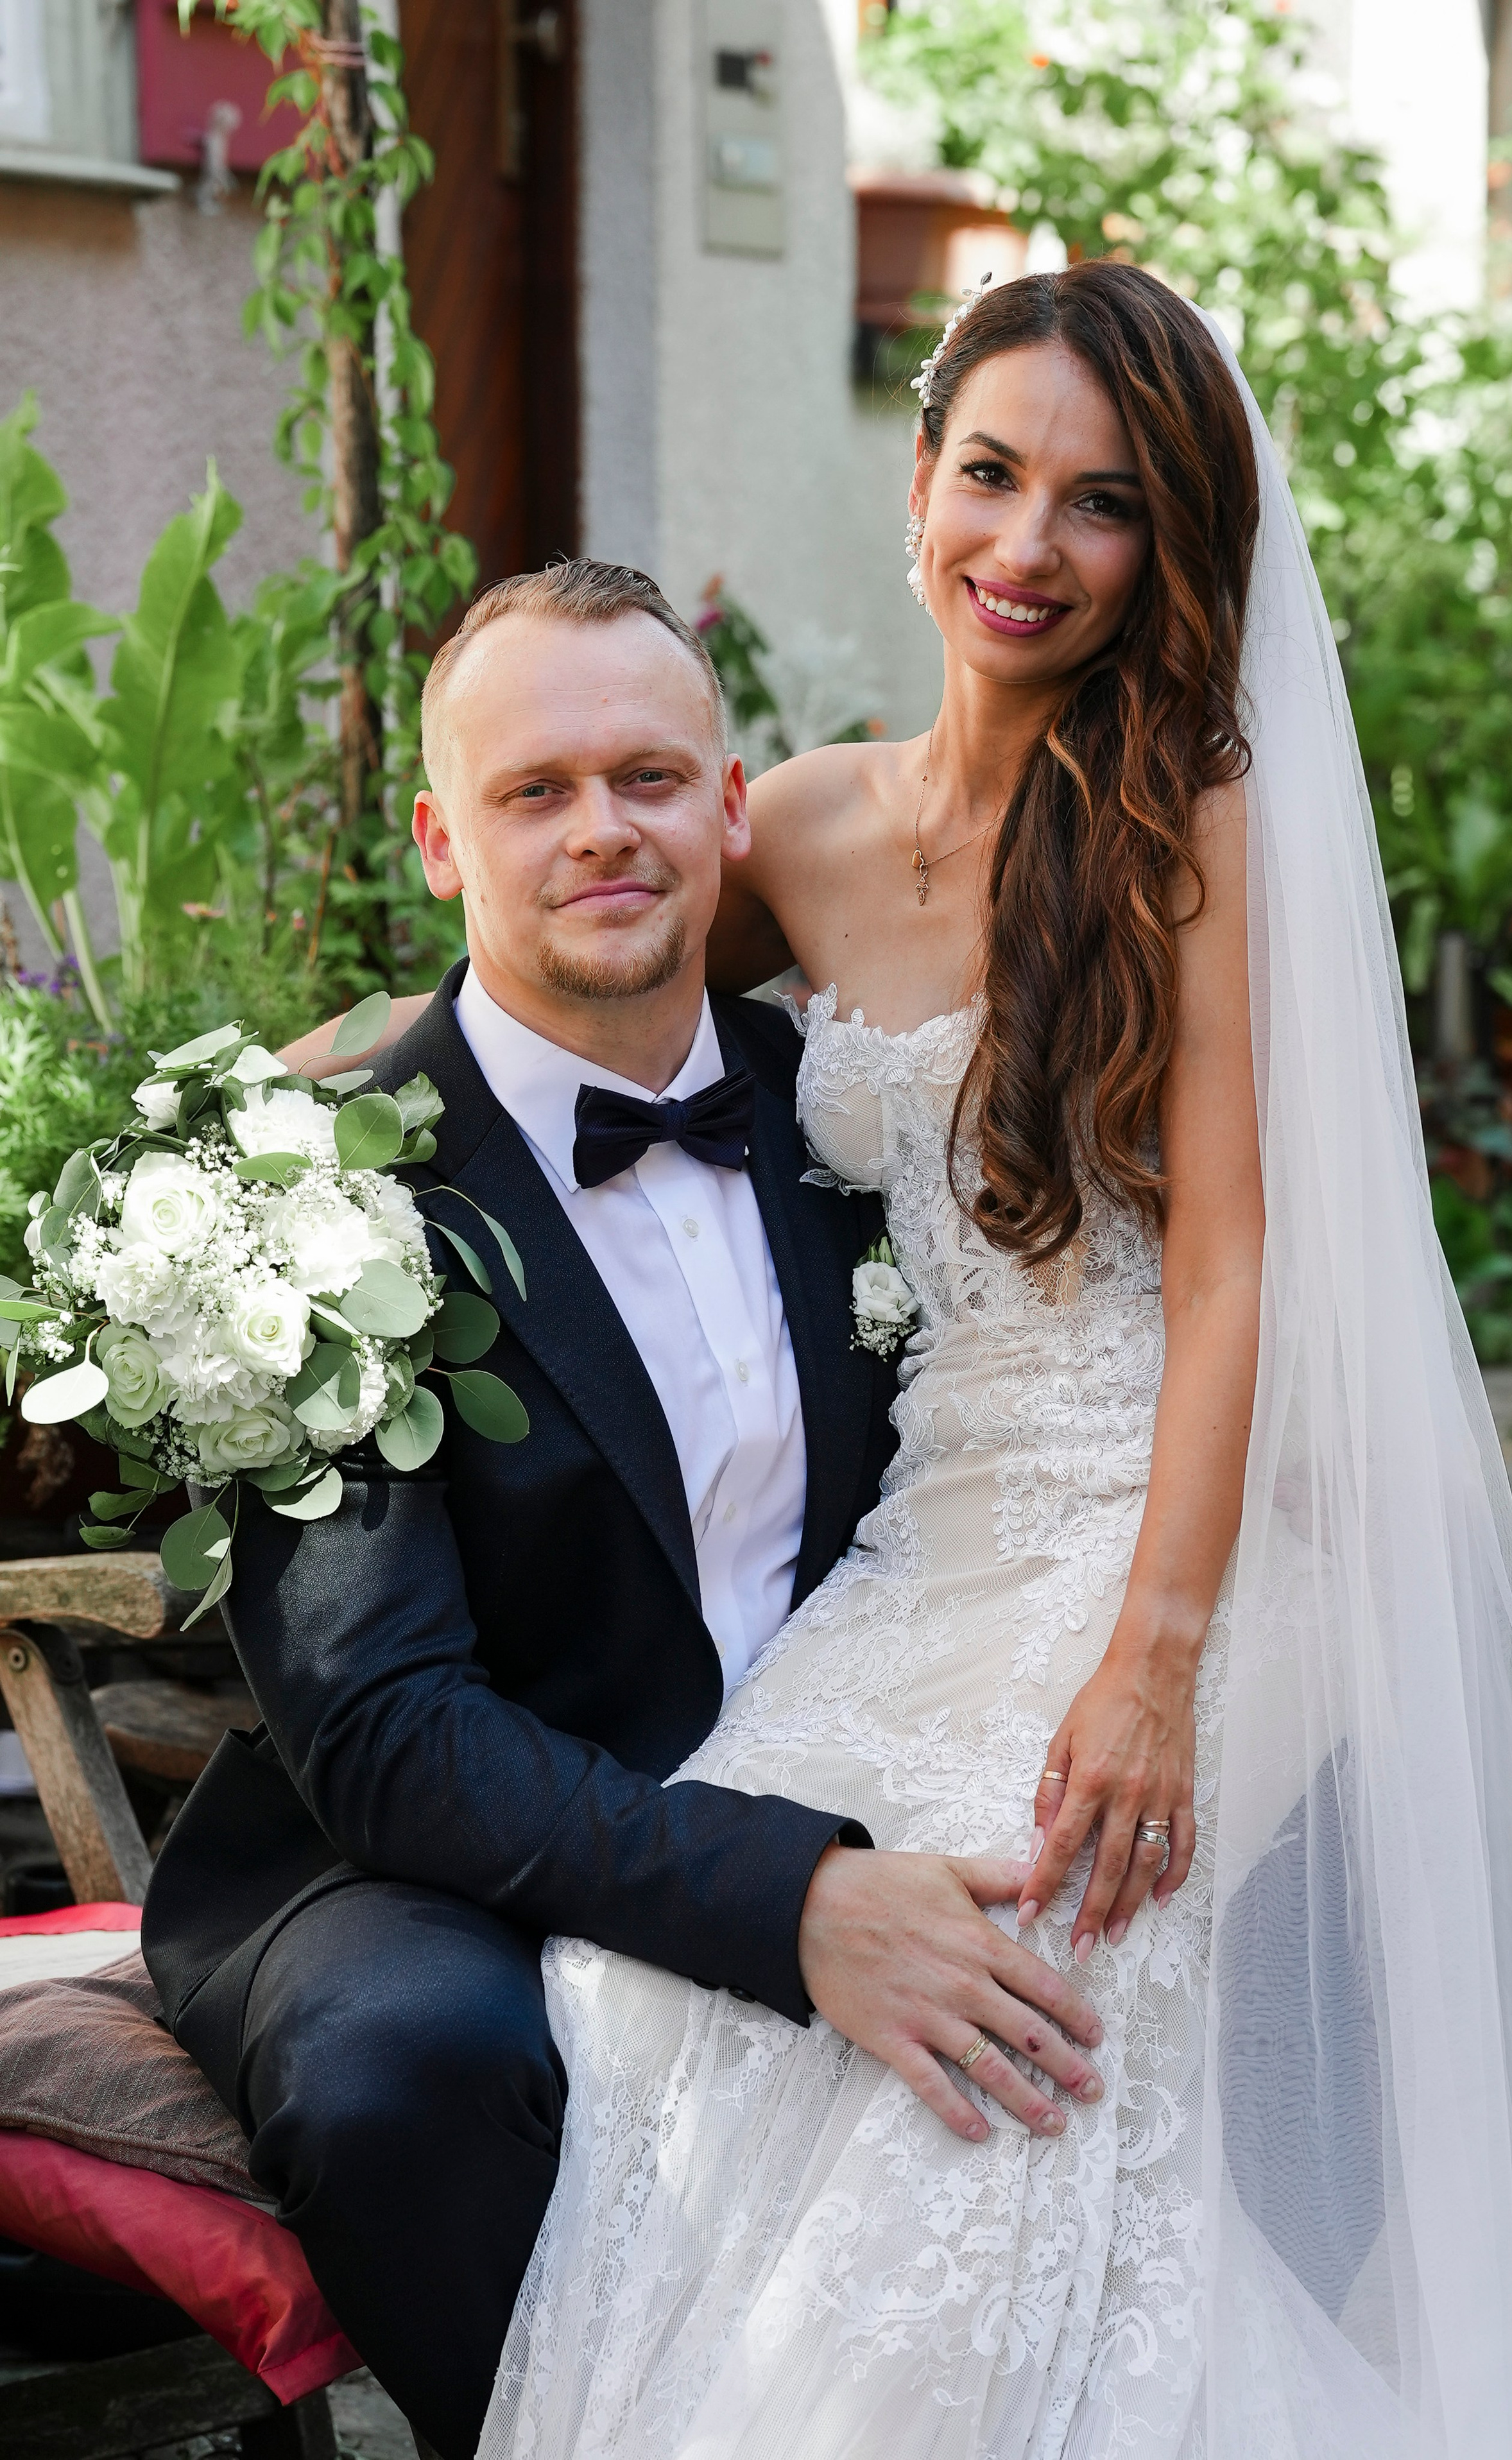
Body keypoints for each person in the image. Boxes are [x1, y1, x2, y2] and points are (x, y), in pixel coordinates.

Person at [454, 265, 1512, 2456]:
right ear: (918, 483)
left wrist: (1156, 1662)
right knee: (660, 1974)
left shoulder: (1201, 828)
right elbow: (548, 996)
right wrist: (269, 1117)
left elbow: (1233, 1270)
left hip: (1194, 1537)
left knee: (993, 2018)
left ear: (1168, 549)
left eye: (1101, 504)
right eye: (991, 474)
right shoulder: (802, 828)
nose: (1028, 544)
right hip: (934, 1543)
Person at [139, 558, 1112, 2460]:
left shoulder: (849, 1114)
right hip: (428, 1859)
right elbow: (386, 1727)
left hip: (858, 1748)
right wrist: (794, 1898)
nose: (604, 829)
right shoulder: (298, 1207)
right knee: (398, 2072)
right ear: (443, 842)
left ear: (730, 809)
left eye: (650, 778)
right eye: (536, 791)